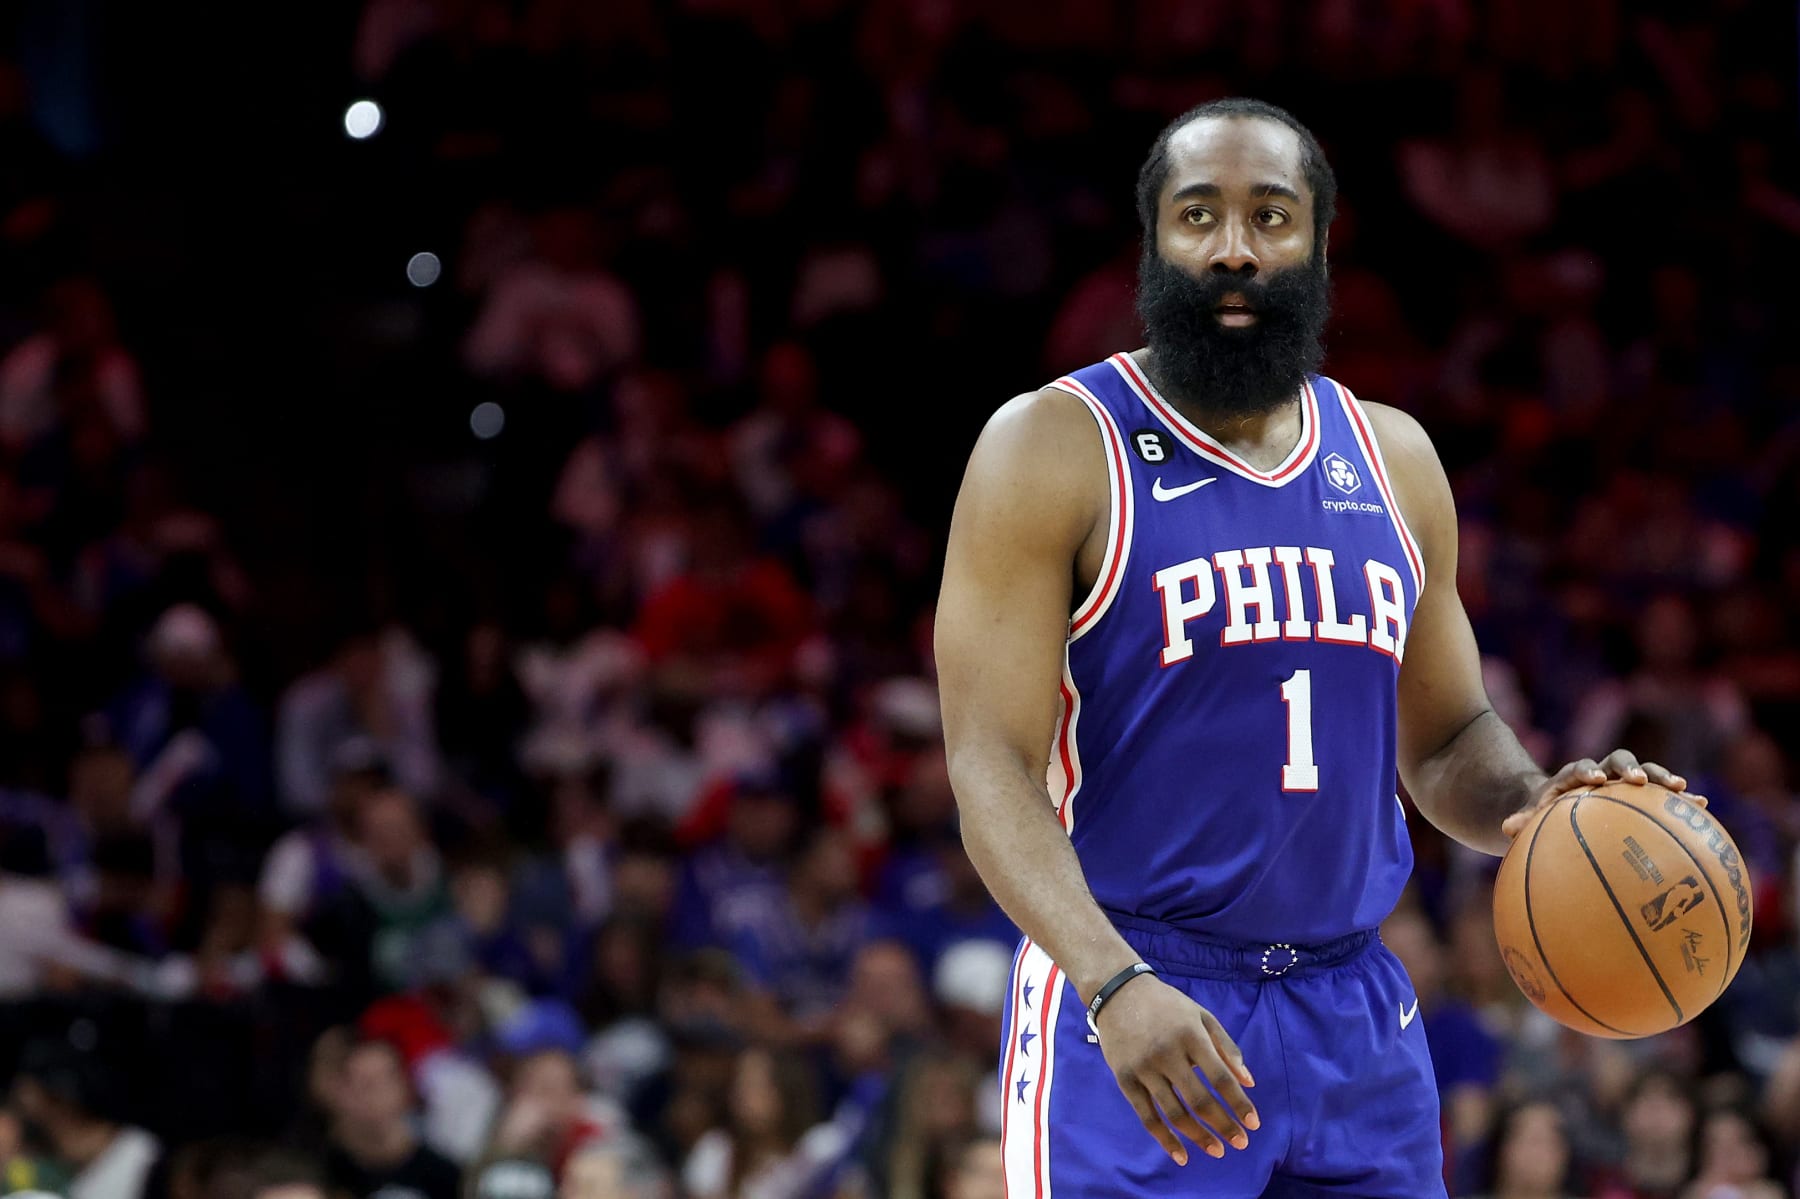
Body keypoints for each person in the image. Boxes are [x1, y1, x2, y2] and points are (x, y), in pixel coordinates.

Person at [934, 96, 1704, 1197]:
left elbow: (1447, 739)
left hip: (1356, 1016)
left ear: (1318, 243)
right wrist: (1112, 981)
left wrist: (1542, 804)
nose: (1234, 248)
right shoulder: (1051, 448)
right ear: (1153, 241)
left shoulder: (1393, 459)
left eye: (1270, 215)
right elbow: (988, 767)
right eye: (1198, 215)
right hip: (1142, 993)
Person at [322, 1039, 461, 1199]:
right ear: (340, 1093)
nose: (373, 1094)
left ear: (405, 1087)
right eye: (364, 1083)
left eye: (384, 1080)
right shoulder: (321, 1168)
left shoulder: (444, 1175)